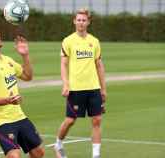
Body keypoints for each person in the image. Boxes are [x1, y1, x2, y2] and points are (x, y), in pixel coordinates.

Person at [0, 23, 45, 158]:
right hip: (0, 120)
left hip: (18, 115)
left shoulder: (7, 60)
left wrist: (25, 55)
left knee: (38, 153)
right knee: (14, 156)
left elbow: (27, 76)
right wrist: (7, 100)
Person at [54, 8, 107, 158]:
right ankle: (58, 143)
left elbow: (99, 66)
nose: (81, 23)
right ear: (74, 21)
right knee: (70, 120)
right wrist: (65, 84)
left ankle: (96, 155)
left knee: (97, 120)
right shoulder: (68, 41)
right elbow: (63, 64)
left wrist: (103, 88)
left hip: (93, 87)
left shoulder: (94, 41)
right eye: (78, 20)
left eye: (84, 20)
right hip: (76, 89)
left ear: (88, 22)